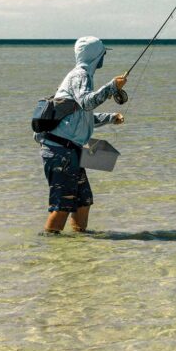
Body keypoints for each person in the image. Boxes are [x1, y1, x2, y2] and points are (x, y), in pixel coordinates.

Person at [36, 35, 127, 234]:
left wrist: (111, 117)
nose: (104, 57)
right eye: (103, 53)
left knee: (83, 201)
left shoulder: (84, 77)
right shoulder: (80, 76)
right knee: (62, 206)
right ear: (96, 55)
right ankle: (49, 247)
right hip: (60, 151)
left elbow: (82, 116)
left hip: (72, 151)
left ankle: (80, 245)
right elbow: (87, 102)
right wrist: (112, 87)